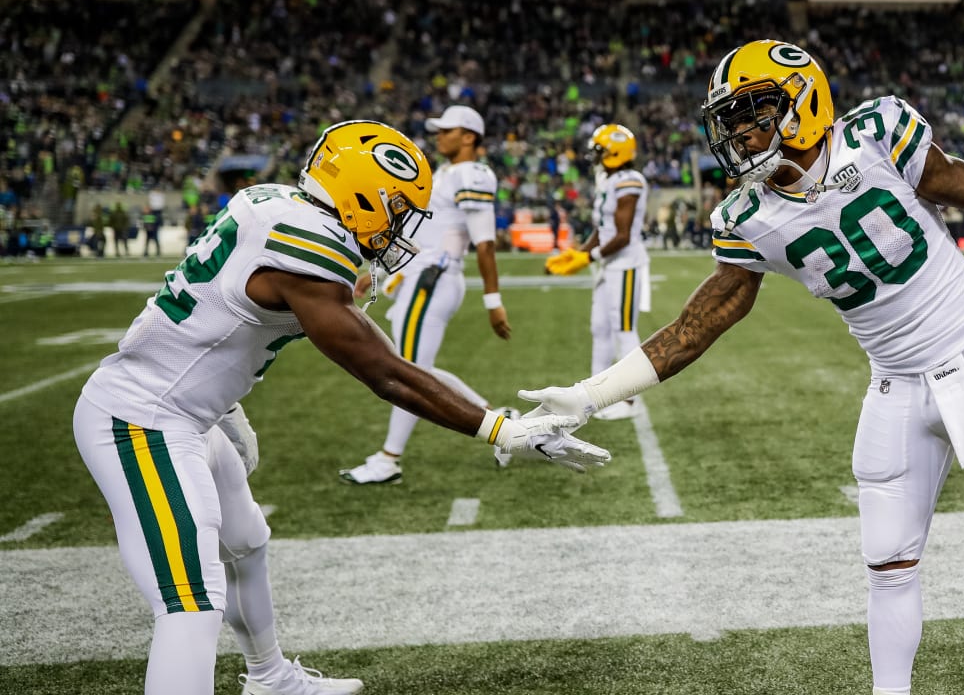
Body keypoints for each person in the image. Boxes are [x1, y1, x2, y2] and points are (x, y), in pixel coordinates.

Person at [519, 40, 964, 695]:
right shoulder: (747, 214)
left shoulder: (876, 134)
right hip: (895, 383)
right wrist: (590, 394)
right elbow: (698, 326)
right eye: (733, 119)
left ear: (803, 101)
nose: (742, 132)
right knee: (888, 564)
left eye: (755, 112)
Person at [71, 120, 609, 695]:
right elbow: (385, 373)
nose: (400, 227)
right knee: (190, 601)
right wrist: (502, 429)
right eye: (398, 209)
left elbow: (207, 307)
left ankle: (271, 677)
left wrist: (225, 409)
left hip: (185, 413)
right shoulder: (309, 244)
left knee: (247, 540)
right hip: (142, 420)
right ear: (364, 196)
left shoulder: (273, 202)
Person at [339, 106, 515, 485]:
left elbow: (484, 243)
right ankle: (501, 424)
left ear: (469, 136)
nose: (439, 136)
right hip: (418, 279)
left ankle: (389, 459)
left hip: (432, 282)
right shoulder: (446, 174)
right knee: (416, 368)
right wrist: (381, 271)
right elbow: (423, 237)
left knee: (407, 374)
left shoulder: (472, 173)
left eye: (447, 130)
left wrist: (493, 301)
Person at [544, 123, 651, 421]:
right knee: (599, 328)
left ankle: (631, 401)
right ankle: (595, 397)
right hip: (609, 264)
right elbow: (601, 231)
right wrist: (578, 253)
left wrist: (587, 257)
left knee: (625, 330)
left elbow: (622, 235)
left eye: (600, 151)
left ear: (616, 151)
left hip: (626, 264)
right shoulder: (609, 180)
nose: (595, 157)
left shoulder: (630, 180)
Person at [144, 187, 164, 257]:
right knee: (148, 240)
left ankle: (158, 251)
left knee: (155, 239)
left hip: (153, 228)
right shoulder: (147, 214)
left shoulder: (155, 214)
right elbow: (145, 222)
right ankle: (146, 252)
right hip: (149, 229)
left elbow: (157, 222)